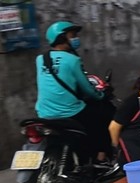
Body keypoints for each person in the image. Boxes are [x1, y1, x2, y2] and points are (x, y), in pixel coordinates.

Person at [36, 20, 113, 167]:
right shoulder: (72, 60)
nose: (75, 39)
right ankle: (101, 158)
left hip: (43, 112)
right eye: (72, 35)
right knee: (103, 118)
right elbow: (87, 88)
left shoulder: (40, 59)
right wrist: (101, 96)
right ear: (62, 38)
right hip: (69, 111)